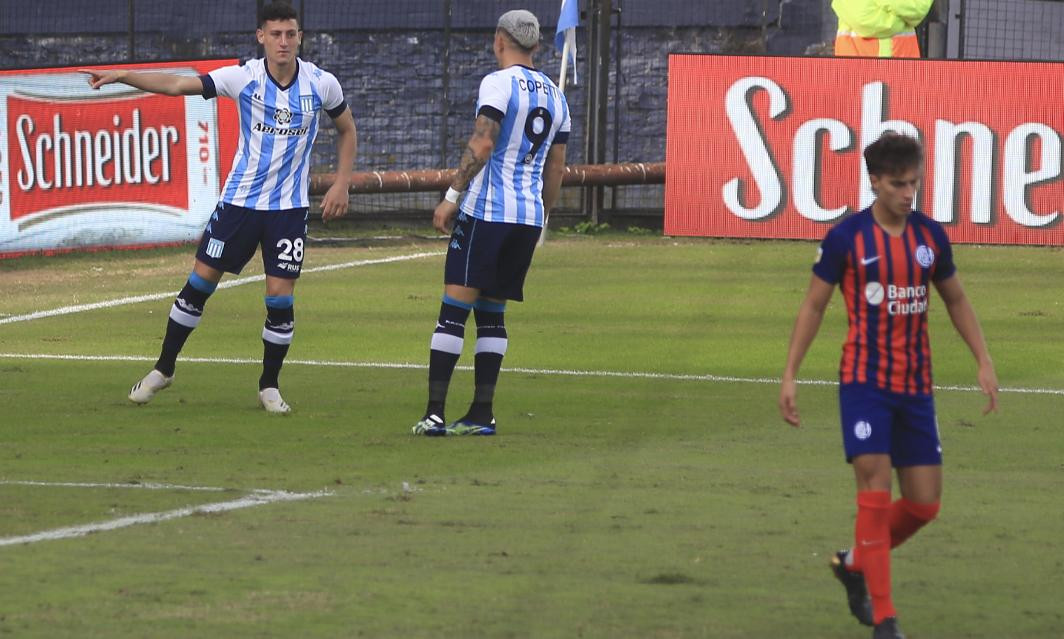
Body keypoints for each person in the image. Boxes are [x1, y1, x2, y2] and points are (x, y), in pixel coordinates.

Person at [80, 1, 357, 414]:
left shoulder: (322, 84)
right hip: (238, 204)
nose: (284, 42)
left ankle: (269, 386)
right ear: (261, 37)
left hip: (288, 210)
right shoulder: (241, 78)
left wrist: (341, 183)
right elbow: (177, 85)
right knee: (199, 285)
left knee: (279, 299)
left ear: (300, 37)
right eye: (276, 34)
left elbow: (347, 129)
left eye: (291, 34)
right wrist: (123, 75)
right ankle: (164, 368)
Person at [778, 132, 998, 638]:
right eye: (898, 184)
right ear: (874, 181)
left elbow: (956, 300)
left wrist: (983, 359)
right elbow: (813, 306)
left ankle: (854, 562)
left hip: (915, 385)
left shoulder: (930, 238)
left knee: (924, 504)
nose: (908, 193)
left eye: (914, 183)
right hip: (865, 384)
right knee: (874, 498)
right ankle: (885, 618)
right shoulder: (847, 238)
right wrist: (790, 374)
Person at [411, 9, 570, 436]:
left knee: (453, 312)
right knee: (493, 315)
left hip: (488, 212)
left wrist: (451, 197)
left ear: (499, 40)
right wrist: (543, 216)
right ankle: (482, 414)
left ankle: (434, 414)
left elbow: (483, 143)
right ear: (535, 45)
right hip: (527, 216)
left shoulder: (497, 84)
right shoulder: (557, 95)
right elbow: (556, 168)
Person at [832, 0, 934, 58]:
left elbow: (918, 7)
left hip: (903, 75)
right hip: (857, 75)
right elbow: (863, 18)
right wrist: (900, 21)